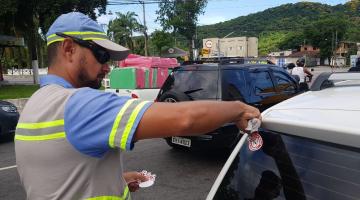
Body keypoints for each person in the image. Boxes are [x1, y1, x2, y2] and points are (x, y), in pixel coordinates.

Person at [15, 12, 261, 200]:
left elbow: (59, 177)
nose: (107, 67)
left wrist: (114, 179)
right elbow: (185, 119)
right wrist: (238, 108)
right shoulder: (80, 104)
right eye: (101, 55)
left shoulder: (35, 104)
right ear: (69, 48)